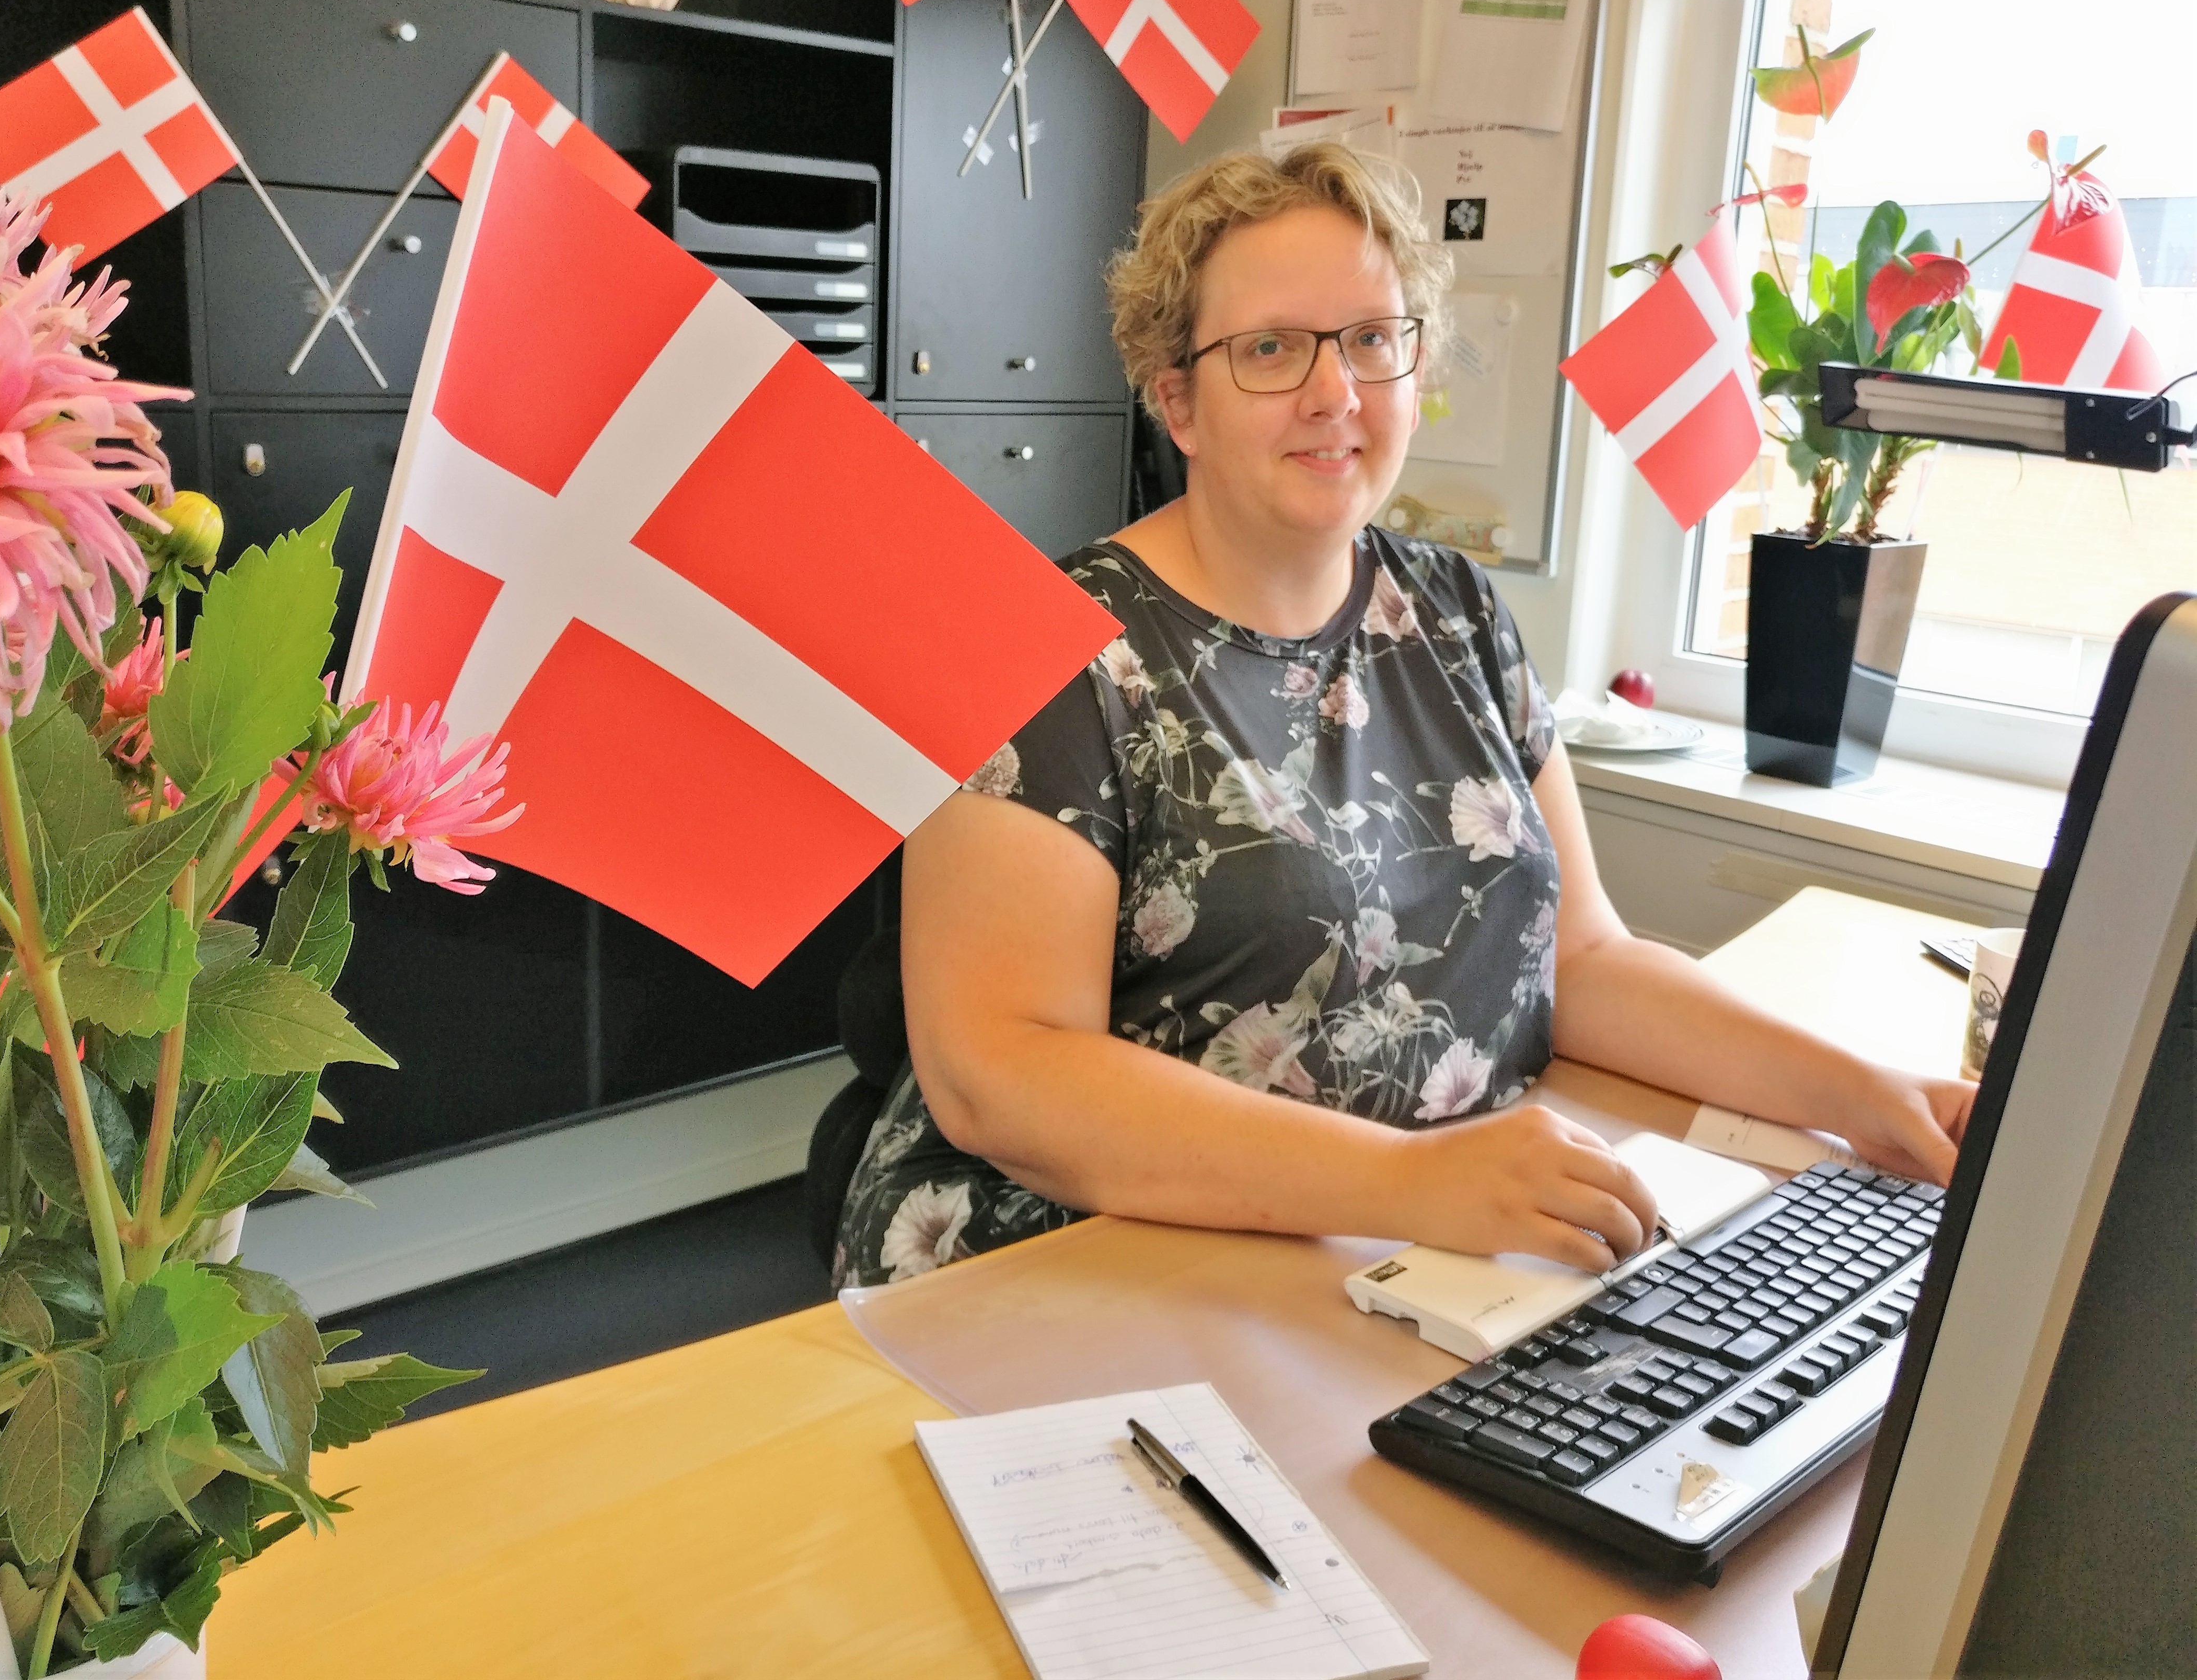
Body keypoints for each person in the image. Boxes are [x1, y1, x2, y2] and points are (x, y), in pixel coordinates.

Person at [831, 143, 1976, 1290]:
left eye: (1373, 341)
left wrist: (1860, 1095)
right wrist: (1412, 1184)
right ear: (1176, 399)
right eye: (1270, 350)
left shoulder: (1456, 610)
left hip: (1395, 1251)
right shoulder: (1042, 650)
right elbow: (1002, 1075)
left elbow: (1579, 959)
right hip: (1085, 1265)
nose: (1335, 394)